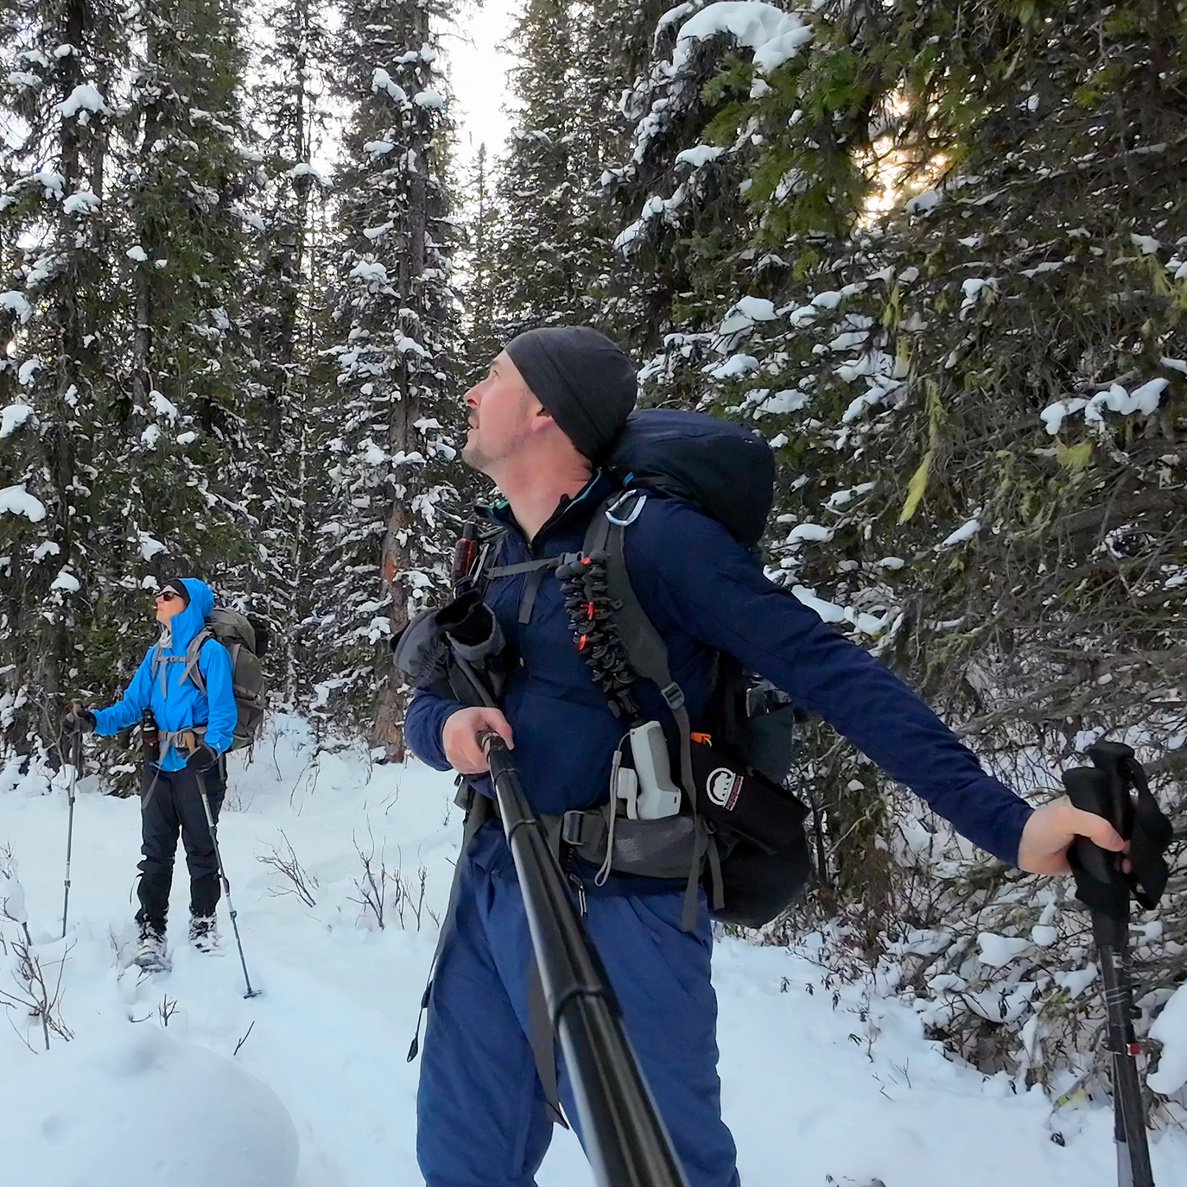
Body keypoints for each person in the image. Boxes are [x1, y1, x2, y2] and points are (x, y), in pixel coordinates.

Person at [403, 326, 1127, 1187]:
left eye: (491, 377)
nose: (470, 394)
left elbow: (828, 669)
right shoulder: (495, 551)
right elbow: (434, 701)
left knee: (664, 1170)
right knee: (461, 1164)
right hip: (492, 880)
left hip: (625, 905)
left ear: (544, 410)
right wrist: (441, 732)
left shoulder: (659, 542)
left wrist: (1004, 821)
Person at [65, 577, 237, 968]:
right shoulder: (156, 655)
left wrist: (210, 749)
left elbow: (224, 712)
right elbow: (131, 705)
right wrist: (93, 721)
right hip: (158, 765)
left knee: (202, 849)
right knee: (155, 853)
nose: (158, 600)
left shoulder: (210, 654)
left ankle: (203, 922)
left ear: (189, 605)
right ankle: (151, 928)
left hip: (198, 767)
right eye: (158, 594)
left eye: (168, 595)